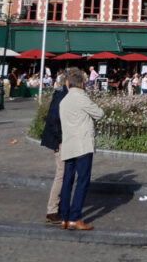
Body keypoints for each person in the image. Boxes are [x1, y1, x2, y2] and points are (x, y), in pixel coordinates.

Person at [58, 67, 103, 231]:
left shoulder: (64, 100)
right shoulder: (82, 98)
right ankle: (75, 217)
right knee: (82, 181)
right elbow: (99, 113)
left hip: (69, 144)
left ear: (69, 83)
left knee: (67, 181)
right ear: (83, 84)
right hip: (82, 144)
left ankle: (63, 216)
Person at [40, 71, 68, 225]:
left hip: (61, 140)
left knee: (63, 173)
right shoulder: (62, 95)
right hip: (60, 141)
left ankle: (58, 207)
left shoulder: (61, 93)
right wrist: (59, 140)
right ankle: (52, 210)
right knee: (61, 173)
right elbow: (54, 119)